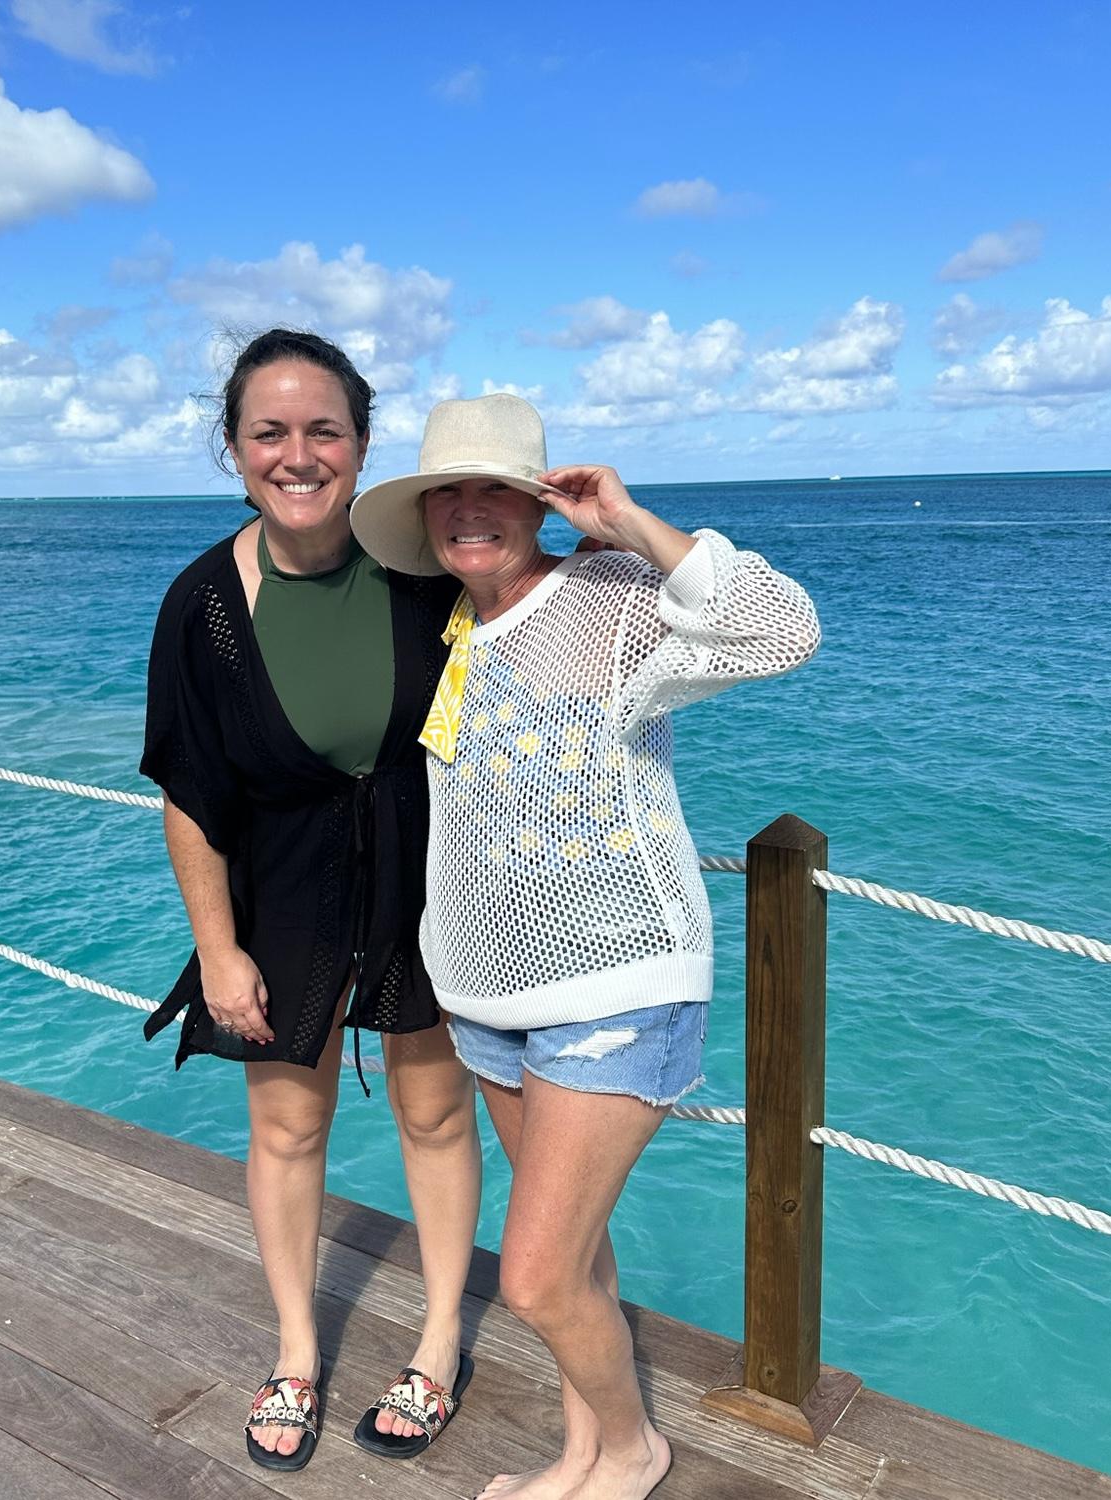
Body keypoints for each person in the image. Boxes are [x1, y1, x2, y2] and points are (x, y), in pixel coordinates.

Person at [350, 393, 820, 1500]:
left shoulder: (608, 596)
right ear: (424, 515)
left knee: (533, 1276)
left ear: (538, 503)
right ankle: (582, 1453)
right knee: (579, 1253)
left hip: (616, 984)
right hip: (485, 998)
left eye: (497, 490)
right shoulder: (452, 626)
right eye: (448, 493)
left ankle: (633, 1450)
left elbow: (784, 629)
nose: (471, 511)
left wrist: (632, 523)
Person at [141, 330, 481, 1472]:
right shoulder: (202, 605)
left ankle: (438, 1345)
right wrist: (217, 949)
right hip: (278, 895)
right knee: (287, 1128)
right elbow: (190, 794)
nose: (299, 455)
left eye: (324, 430)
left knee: (436, 1117)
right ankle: (296, 1352)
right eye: (270, 432)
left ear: (364, 445)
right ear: (235, 449)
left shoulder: (425, 574)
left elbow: (545, 639)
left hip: (429, 889)